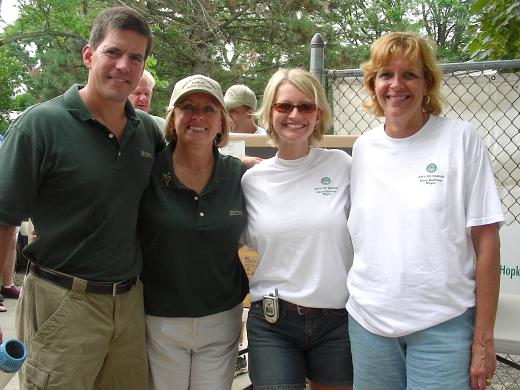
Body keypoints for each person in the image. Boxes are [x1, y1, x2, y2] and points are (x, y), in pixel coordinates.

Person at [0, 7, 164, 389]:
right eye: (113, 52)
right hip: (62, 300)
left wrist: (240, 165)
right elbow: (4, 220)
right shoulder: (41, 125)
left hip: (127, 305)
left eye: (135, 57)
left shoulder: (146, 133)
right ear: (89, 55)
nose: (124, 65)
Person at [346, 32, 504, 390]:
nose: (396, 85)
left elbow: (487, 242)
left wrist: (483, 340)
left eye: (410, 75)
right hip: (370, 324)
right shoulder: (364, 148)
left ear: (427, 83)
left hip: (443, 326)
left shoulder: (460, 139)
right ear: (373, 83)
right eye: (386, 74)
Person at [241, 68, 354, 390]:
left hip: (337, 320)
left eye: (306, 107)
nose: (295, 115)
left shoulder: (342, 166)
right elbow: (242, 246)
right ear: (269, 111)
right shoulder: (252, 181)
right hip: (274, 321)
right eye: (284, 106)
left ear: (319, 114)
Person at [139, 74, 249, 390]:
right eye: (187, 107)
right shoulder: (148, 169)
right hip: (159, 319)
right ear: (173, 118)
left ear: (222, 123)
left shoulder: (237, 174)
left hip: (221, 317)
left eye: (209, 109)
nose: (198, 116)